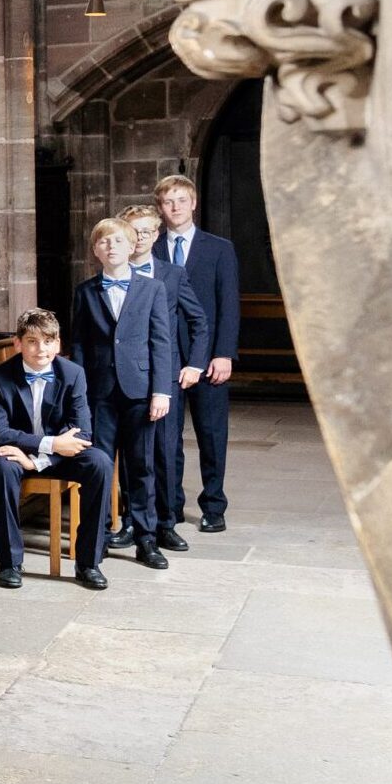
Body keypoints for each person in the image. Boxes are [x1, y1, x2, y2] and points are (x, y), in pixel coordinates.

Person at [0, 309, 113, 590]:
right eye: (33, 341)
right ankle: (10, 563)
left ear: (58, 344)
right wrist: (50, 443)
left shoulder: (73, 374)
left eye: (48, 341)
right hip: (11, 451)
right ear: (18, 344)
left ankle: (88, 563)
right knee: (2, 468)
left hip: (55, 456)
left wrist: (40, 459)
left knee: (100, 463)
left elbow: (82, 433)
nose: (41, 349)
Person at [71, 217, 176, 570]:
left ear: (132, 246)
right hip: (99, 393)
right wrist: (79, 395)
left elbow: (162, 342)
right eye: (103, 242)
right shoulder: (85, 292)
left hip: (140, 391)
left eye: (117, 241)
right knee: (99, 466)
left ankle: (146, 539)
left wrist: (162, 390)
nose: (110, 247)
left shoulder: (152, 289)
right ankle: (97, 538)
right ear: (95, 250)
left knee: (142, 465)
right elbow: (81, 346)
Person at [153, 173, 241, 533]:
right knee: (167, 437)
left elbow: (228, 304)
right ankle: (171, 505)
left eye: (180, 200)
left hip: (208, 359)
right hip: (167, 358)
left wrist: (224, 354)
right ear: (160, 208)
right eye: (167, 202)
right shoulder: (151, 248)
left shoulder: (218, 248)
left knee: (211, 433)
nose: (175, 207)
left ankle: (214, 505)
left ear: (193, 203)